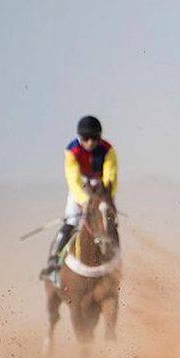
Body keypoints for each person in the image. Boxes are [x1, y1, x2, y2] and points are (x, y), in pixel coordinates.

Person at [39, 116, 118, 280]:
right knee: (71, 221)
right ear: (80, 138)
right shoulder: (71, 151)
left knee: (108, 218)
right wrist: (84, 201)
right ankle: (54, 259)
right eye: (86, 139)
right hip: (79, 190)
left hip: (100, 190)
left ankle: (115, 258)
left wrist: (106, 198)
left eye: (94, 139)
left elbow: (111, 176)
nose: (90, 142)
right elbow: (73, 180)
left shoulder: (108, 151)